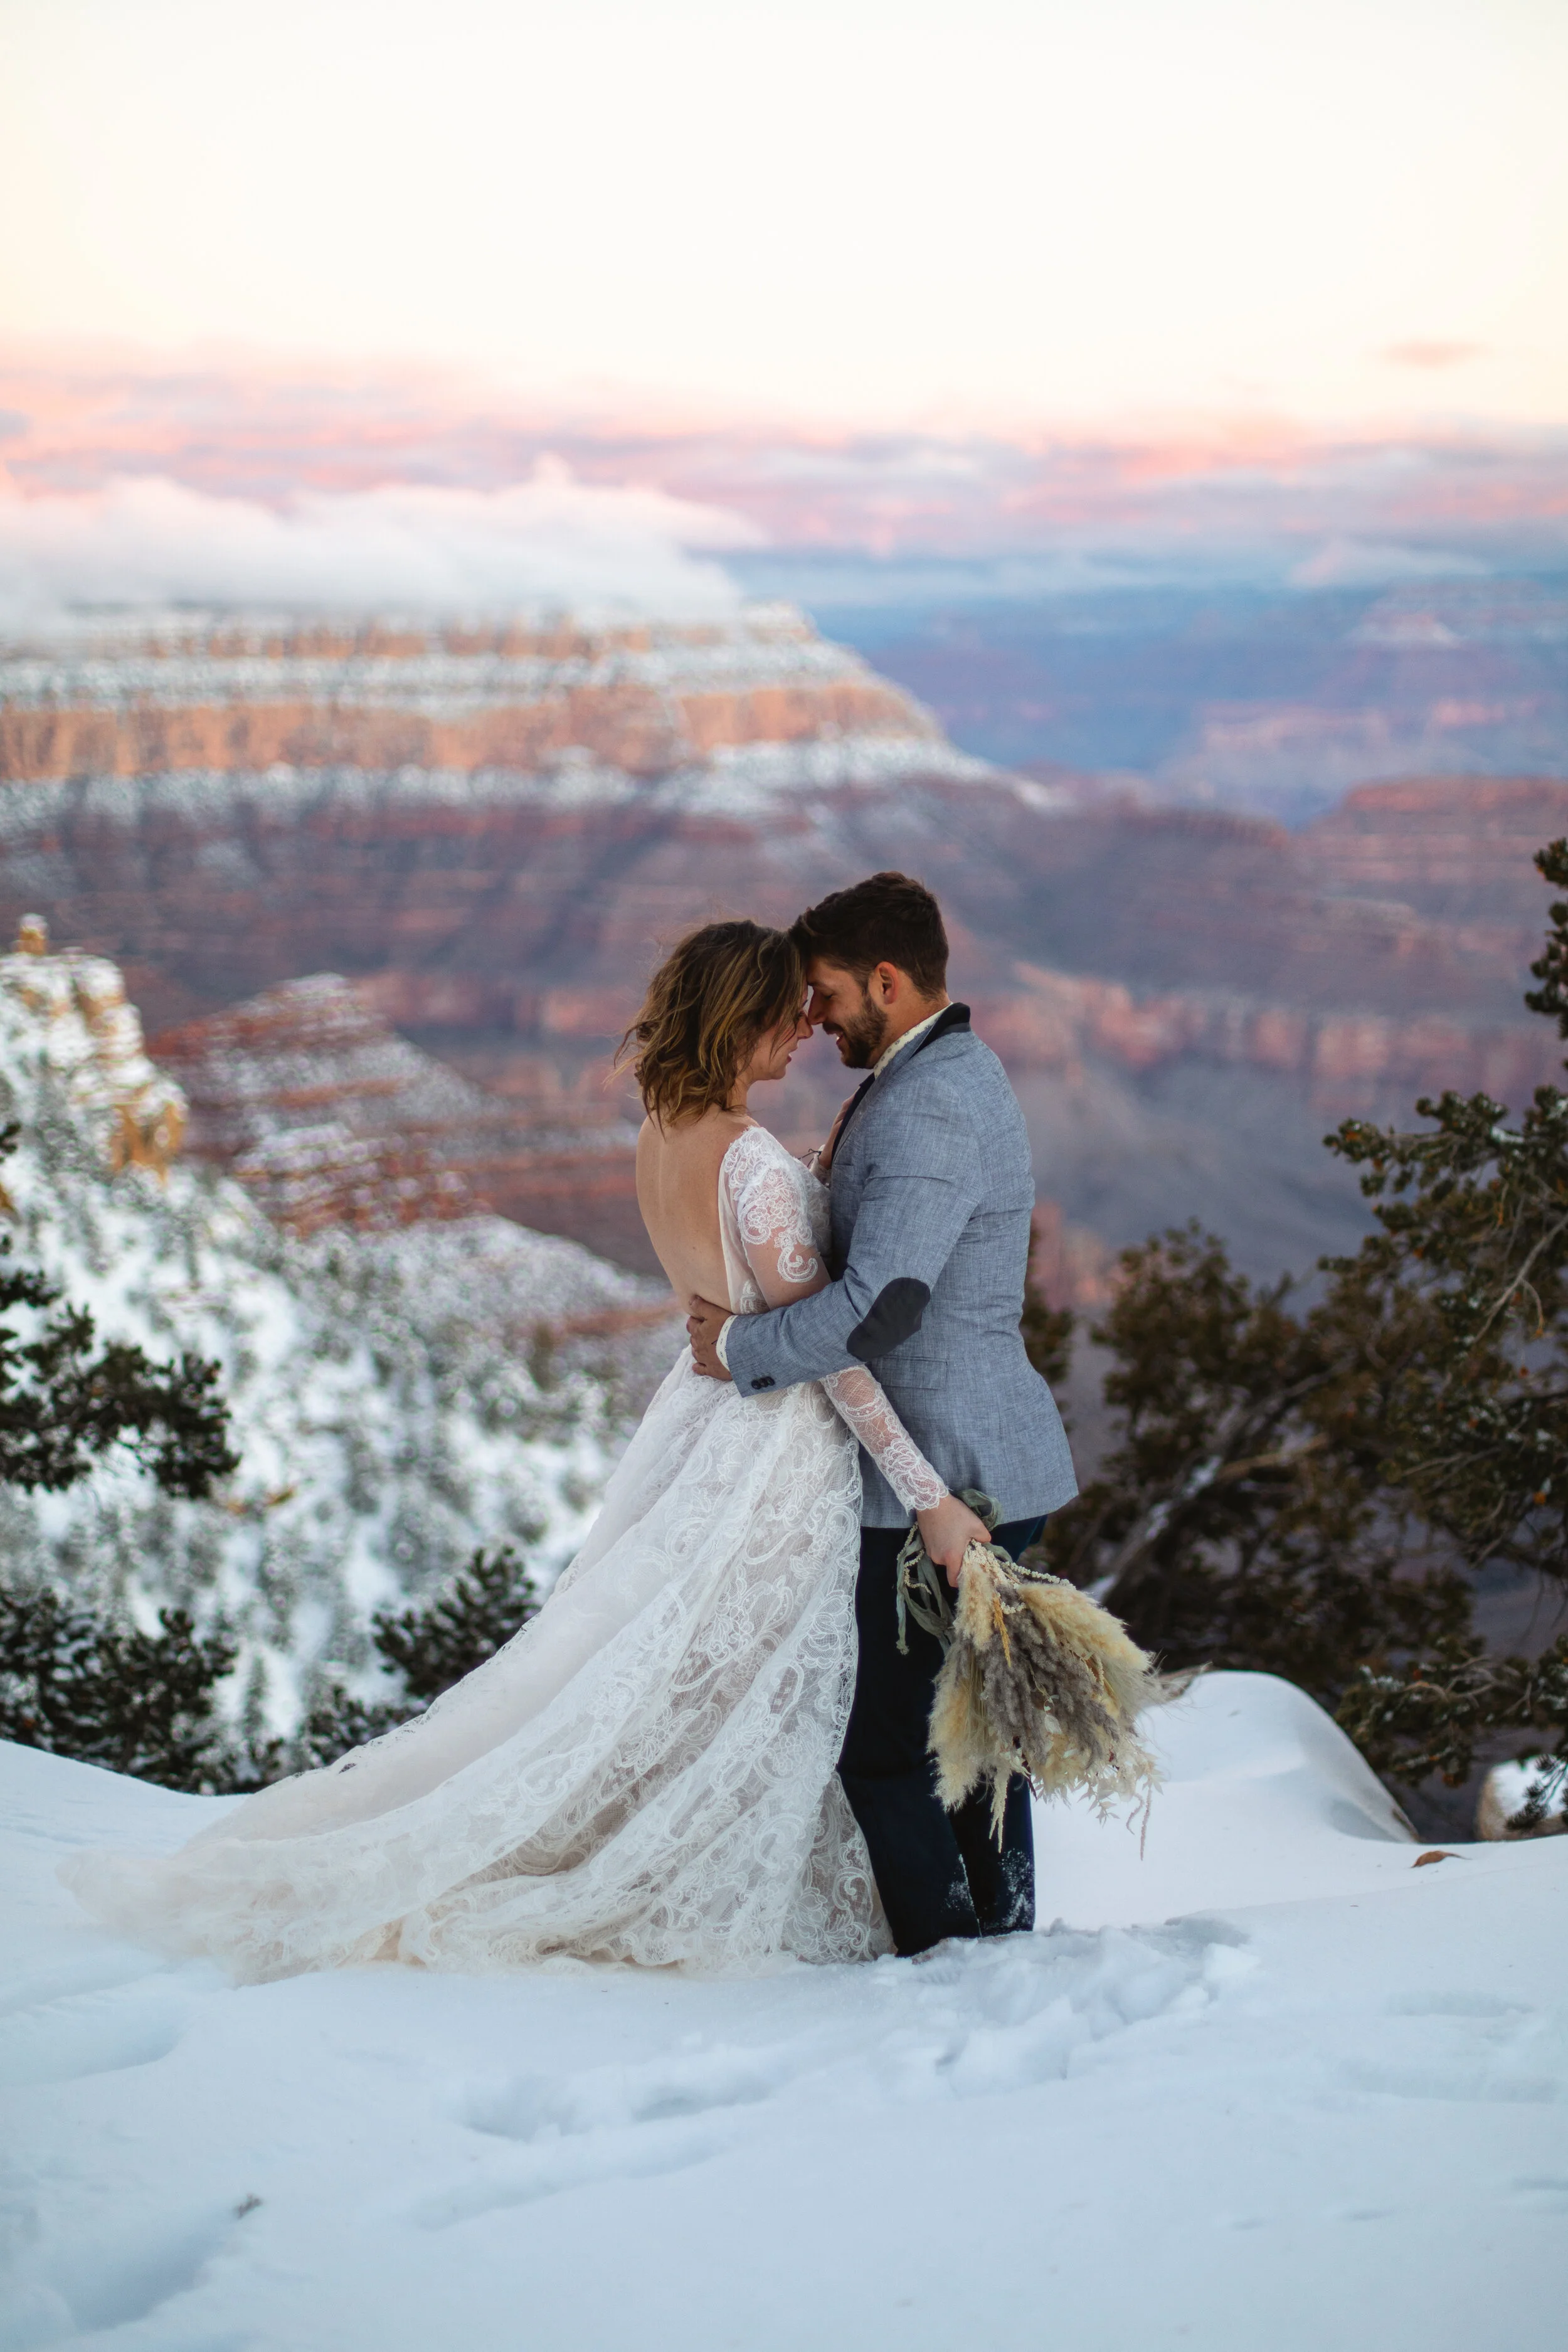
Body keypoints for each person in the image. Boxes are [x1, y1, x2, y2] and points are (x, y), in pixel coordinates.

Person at [63, 919, 980, 1981]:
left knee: (674, 1683)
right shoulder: (750, 1163)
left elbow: (744, 1267)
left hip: (699, 1420)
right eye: (787, 1012)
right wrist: (928, 1495)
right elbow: (831, 1355)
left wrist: (809, 1176)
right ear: (743, 1018)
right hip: (772, 1453)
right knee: (744, 1696)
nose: (805, 1028)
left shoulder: (664, 1130)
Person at [687, 872, 1077, 1954]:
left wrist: (740, 1346)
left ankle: (956, 1958)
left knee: (886, 1749)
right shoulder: (922, 1073)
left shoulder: (931, 1100)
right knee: (966, 1736)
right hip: (947, 1469)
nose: (812, 1016)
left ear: (889, 981)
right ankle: (997, 1946)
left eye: (825, 992)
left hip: (951, 1479)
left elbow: (879, 1307)